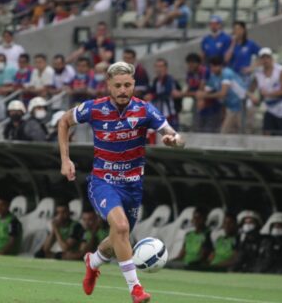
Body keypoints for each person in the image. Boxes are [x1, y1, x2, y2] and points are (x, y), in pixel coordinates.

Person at [58, 61, 185, 302]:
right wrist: (66, 160)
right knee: (122, 228)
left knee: (117, 237)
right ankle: (136, 289)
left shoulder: (145, 110)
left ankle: (93, 261)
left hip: (133, 186)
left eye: (128, 85)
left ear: (134, 84)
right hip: (103, 181)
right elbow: (63, 122)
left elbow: (177, 136)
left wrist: (174, 139)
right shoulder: (94, 108)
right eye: (118, 85)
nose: (123, 90)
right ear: (109, 86)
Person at [248, 48, 282, 136]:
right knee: (266, 132)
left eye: (267, 57)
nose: (265, 60)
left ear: (271, 58)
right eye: (263, 58)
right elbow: (250, 90)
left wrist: (269, 94)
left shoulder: (280, 71)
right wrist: (252, 96)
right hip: (270, 108)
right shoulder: (258, 73)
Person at [198, 56, 245, 134]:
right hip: (231, 108)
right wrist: (201, 97)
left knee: (242, 132)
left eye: (214, 66)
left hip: (242, 105)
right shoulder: (213, 76)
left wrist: (204, 96)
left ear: (221, 66)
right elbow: (207, 90)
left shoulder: (227, 73)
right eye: (211, 67)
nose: (212, 69)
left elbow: (223, 93)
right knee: (228, 132)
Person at [185, 53, 221, 132]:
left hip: (210, 102)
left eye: (192, 63)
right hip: (198, 100)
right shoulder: (190, 73)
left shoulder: (204, 71)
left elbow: (201, 88)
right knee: (197, 124)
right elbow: (188, 89)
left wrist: (198, 95)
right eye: (188, 63)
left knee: (210, 126)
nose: (190, 66)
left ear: (198, 63)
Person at [148, 58, 181, 130]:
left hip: (170, 114)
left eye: (161, 66)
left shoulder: (170, 79)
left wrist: (153, 96)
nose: (159, 69)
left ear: (166, 68)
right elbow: (151, 91)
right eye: (157, 66)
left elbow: (168, 92)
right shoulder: (156, 80)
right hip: (159, 114)